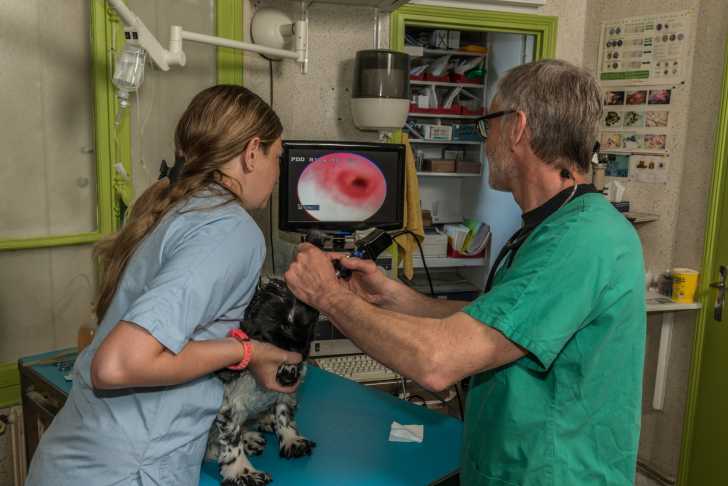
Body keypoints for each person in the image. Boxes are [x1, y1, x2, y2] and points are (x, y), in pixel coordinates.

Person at [285, 59, 646, 485]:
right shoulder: (555, 226)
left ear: (517, 127)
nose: (485, 139)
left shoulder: (580, 240)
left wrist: (327, 295)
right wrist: (392, 296)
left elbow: (438, 362)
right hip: (508, 465)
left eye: (487, 123)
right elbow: (498, 324)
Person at [27, 85, 302, 486]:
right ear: (251, 152)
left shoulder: (180, 209)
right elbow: (118, 364)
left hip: (77, 458)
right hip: (125, 470)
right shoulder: (229, 230)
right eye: (277, 157)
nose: (277, 174)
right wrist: (249, 352)